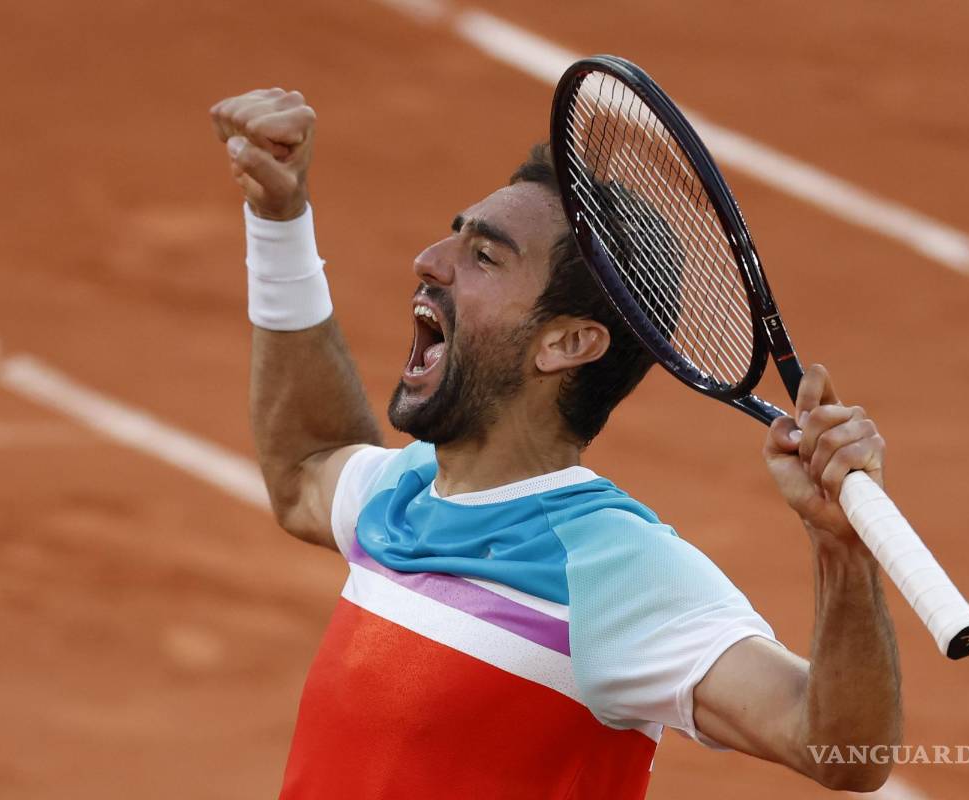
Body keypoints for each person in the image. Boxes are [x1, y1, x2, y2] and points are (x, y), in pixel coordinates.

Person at [209, 87, 902, 798]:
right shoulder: (405, 491)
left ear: (567, 343)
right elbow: (305, 468)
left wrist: (842, 553)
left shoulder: (616, 573)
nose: (429, 260)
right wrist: (279, 222)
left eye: (484, 256)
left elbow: (839, 750)